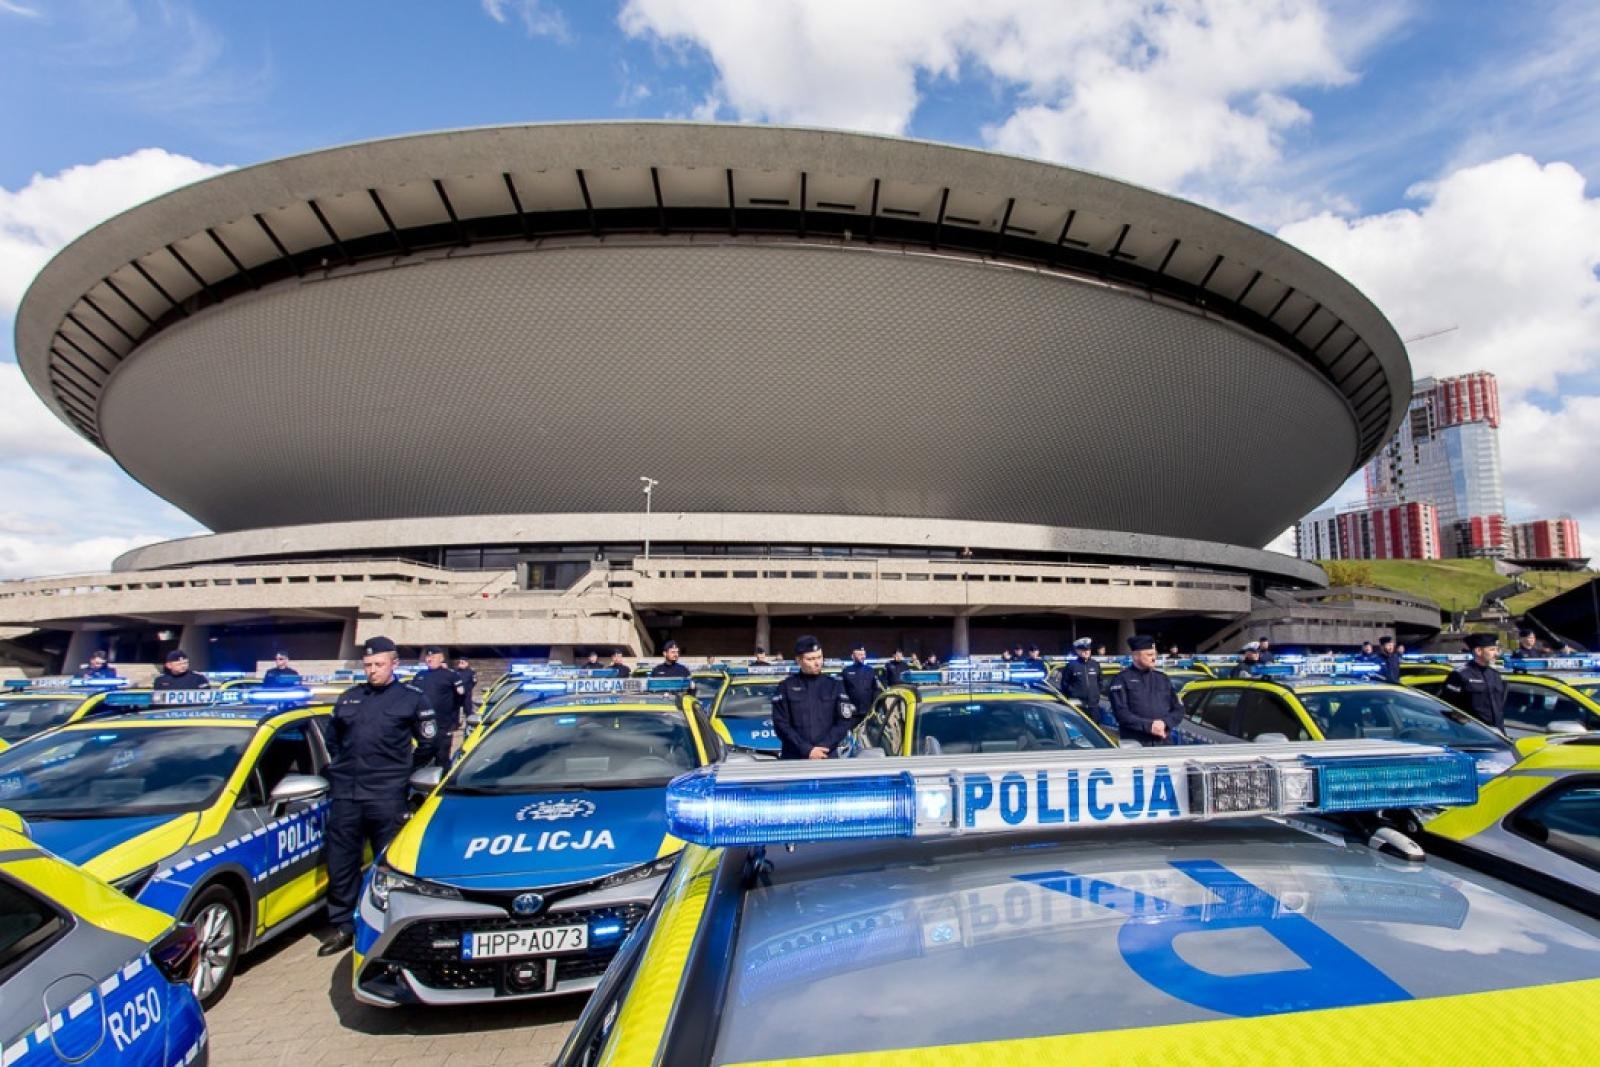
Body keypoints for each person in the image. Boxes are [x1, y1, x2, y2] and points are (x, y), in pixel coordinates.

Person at [318, 635, 438, 956]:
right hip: (347, 793)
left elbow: (429, 743)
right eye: (368, 665)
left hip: (387, 793)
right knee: (341, 861)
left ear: (394, 664)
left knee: (388, 863)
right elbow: (333, 741)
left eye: (379, 664)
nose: (372, 670)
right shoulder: (349, 698)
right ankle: (344, 924)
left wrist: (403, 772)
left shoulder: (411, 699)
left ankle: (386, 922)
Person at [771, 635, 853, 760]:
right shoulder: (786, 687)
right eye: (811, 659)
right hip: (795, 757)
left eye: (819, 657)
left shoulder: (834, 686)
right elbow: (781, 724)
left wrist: (823, 748)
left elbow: (844, 721)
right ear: (798, 660)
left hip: (827, 756)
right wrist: (807, 749)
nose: (817, 663)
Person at [1108, 635, 1184, 745]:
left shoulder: (1162, 679)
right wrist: (1149, 726)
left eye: (1155, 654)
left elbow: (1178, 709)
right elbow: (1121, 713)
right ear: (1135, 656)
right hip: (1137, 743)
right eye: (1149, 655)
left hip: (1163, 742)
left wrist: (1165, 723)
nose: (1154, 658)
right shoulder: (1121, 680)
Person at [411, 646, 466, 768]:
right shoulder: (420, 675)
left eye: (433, 657)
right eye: (428, 657)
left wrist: (454, 719)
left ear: (441, 658)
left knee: (442, 759)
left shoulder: (451, 676)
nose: (430, 659)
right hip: (422, 726)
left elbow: (460, 698)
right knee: (420, 760)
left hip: (443, 725)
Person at [1440, 633, 1508, 730]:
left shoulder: (1495, 675)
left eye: (1496, 650)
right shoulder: (1460, 675)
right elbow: (1447, 707)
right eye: (1492, 650)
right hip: (1472, 733)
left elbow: (1499, 707)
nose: (1496, 654)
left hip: (1496, 733)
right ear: (1478, 651)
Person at [1059, 638, 1105, 715]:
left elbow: (1100, 681)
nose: (1086, 652)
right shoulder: (1071, 666)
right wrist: (1072, 694)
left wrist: (1096, 694)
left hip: (1093, 705)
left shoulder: (1095, 664)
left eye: (1088, 650)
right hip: (1077, 705)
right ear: (1077, 651)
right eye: (1083, 650)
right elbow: (1064, 684)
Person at [839, 642, 882, 717]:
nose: (863, 657)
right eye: (860, 655)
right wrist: (847, 706)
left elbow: (876, 689)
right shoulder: (846, 671)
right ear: (853, 656)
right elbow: (842, 691)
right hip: (852, 712)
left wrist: (875, 706)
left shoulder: (870, 670)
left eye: (864, 654)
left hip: (868, 711)